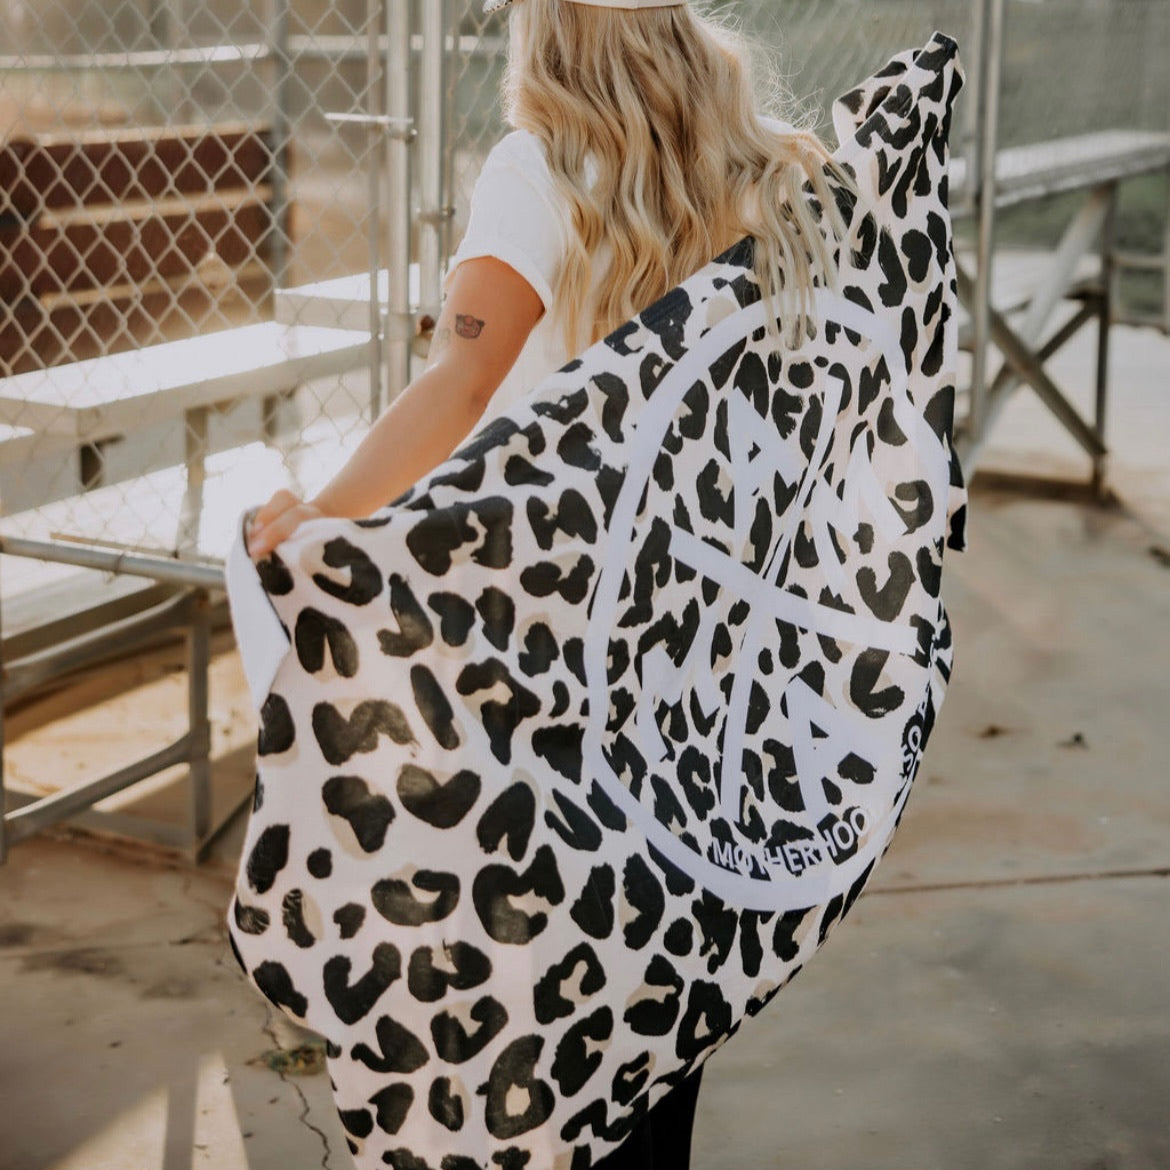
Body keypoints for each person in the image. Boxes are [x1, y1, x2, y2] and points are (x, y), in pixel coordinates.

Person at [243, 2, 852, 1165]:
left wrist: (326, 516)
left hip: (546, 634)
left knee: (539, 979)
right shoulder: (767, 163)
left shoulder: (541, 165)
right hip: (701, 636)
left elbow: (465, 379)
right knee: (666, 962)